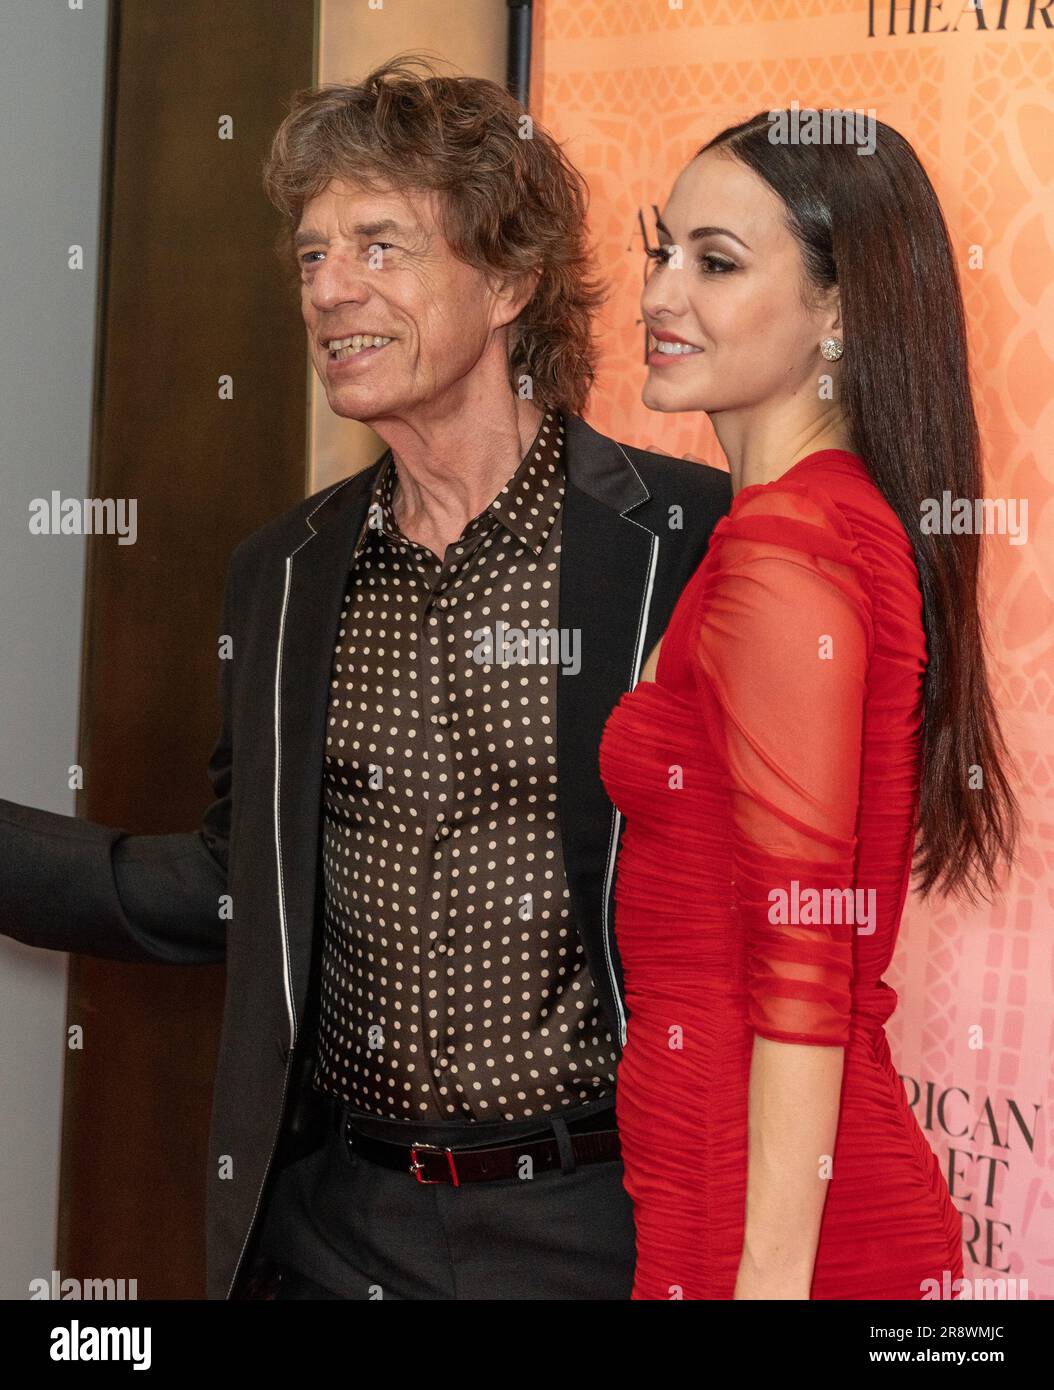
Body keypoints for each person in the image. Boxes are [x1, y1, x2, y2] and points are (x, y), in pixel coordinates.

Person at [0, 58, 731, 1300]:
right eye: (309, 256)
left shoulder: (682, 541)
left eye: (380, 247)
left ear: (507, 277)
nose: (329, 290)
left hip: (596, 1225)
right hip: (334, 1231)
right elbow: (235, 887)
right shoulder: (279, 575)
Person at [598, 110, 1020, 1299]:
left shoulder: (791, 551)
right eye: (660, 247)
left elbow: (802, 966)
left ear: (837, 309)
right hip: (723, 1189)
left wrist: (768, 1280)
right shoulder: (797, 529)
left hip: (780, 1231)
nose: (660, 291)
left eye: (716, 263)